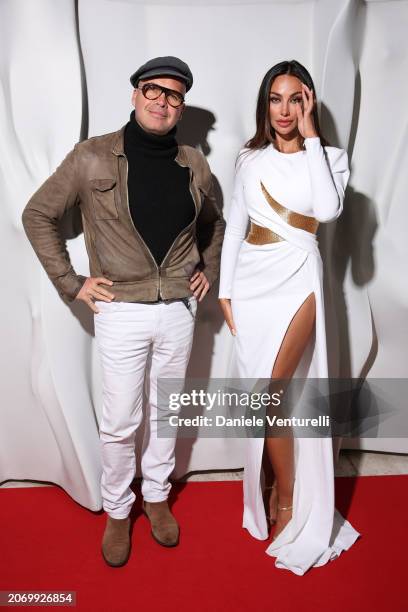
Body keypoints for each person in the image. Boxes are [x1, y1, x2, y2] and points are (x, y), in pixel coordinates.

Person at [22, 56, 225, 567]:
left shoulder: (194, 163)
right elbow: (38, 213)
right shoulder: (91, 157)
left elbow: (215, 224)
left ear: (180, 109)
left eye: (173, 95)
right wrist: (71, 283)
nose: (162, 101)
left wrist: (208, 271)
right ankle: (118, 509)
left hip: (179, 308)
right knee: (118, 421)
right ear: (135, 94)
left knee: (166, 413)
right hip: (121, 308)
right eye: (153, 90)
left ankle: (156, 497)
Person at [218, 60, 360, 575]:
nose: (284, 110)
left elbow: (326, 211)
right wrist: (226, 292)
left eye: (295, 99)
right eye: (276, 99)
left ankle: (287, 499)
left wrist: (313, 136)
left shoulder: (330, 158)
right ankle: (276, 483)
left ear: (308, 103)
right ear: (265, 104)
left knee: (270, 393)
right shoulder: (248, 159)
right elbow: (235, 228)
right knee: (265, 399)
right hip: (251, 286)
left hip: (299, 278)